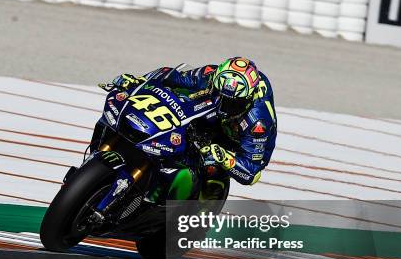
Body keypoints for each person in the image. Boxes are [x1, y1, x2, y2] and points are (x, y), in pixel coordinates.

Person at [107, 57, 277, 197]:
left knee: (212, 170)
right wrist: (140, 81)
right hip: (208, 116)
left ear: (247, 99)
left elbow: (252, 173)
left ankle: (192, 222)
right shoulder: (210, 75)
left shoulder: (258, 122)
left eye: (232, 104)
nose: (224, 107)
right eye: (220, 95)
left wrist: (224, 157)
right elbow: (172, 76)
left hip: (235, 141)